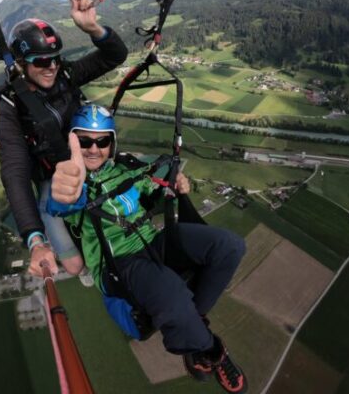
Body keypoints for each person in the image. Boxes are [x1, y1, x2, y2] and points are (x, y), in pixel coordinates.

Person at [47, 104, 248, 394]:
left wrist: (175, 185)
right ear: (73, 142)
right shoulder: (74, 186)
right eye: (84, 141)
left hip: (152, 241)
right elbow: (61, 201)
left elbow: (152, 189)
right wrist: (67, 183)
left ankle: (193, 323)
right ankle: (210, 352)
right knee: (173, 296)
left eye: (102, 141)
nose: (93, 148)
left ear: (111, 143)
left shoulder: (124, 169)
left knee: (229, 246)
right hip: (119, 263)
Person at [0, 0, 128, 284]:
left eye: (54, 58)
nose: (51, 66)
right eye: (41, 60)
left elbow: (114, 55)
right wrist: (35, 238)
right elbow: (15, 172)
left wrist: (93, 29)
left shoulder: (65, 75)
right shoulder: (10, 107)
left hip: (91, 159)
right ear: (20, 64)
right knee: (74, 266)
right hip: (52, 181)